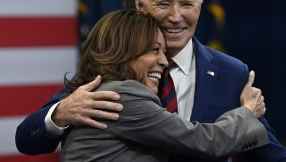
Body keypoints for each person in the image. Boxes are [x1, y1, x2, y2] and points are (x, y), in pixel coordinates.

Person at [16, 0, 286, 162]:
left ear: (201, 7)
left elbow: (266, 151)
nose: (176, 16)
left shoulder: (230, 72)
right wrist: (60, 113)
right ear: (140, 5)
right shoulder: (112, 70)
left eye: (187, 3)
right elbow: (26, 139)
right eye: (163, 3)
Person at [60, 9, 268, 161]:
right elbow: (207, 141)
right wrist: (247, 111)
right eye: (154, 50)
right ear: (124, 52)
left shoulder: (100, 91)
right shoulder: (123, 96)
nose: (164, 60)